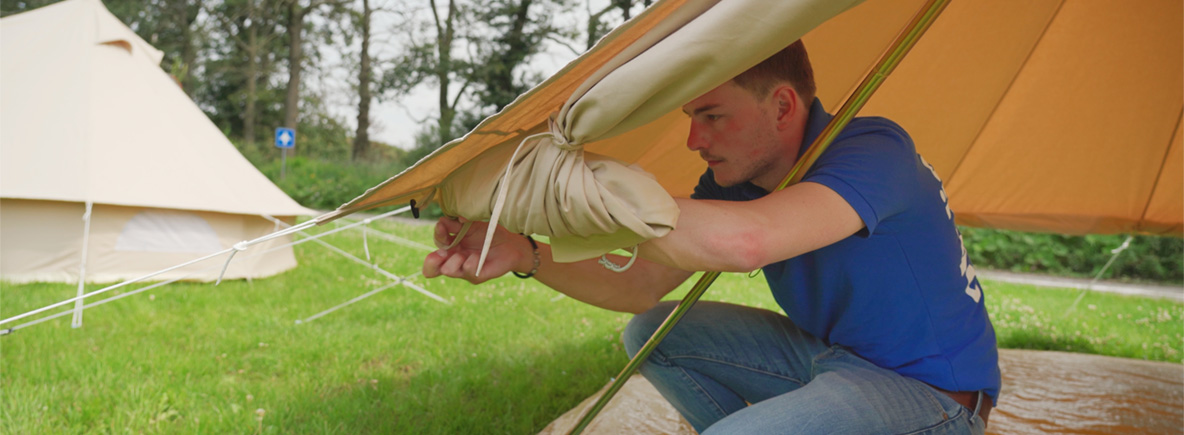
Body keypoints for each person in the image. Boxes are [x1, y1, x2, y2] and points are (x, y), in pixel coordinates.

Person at [422, 41, 1000, 434]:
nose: (695, 139)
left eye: (713, 116)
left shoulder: (874, 150)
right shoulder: (734, 180)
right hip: (836, 360)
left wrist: (573, 198)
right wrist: (526, 251)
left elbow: (746, 242)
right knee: (654, 333)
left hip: (933, 395)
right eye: (691, 118)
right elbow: (640, 286)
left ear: (781, 105)